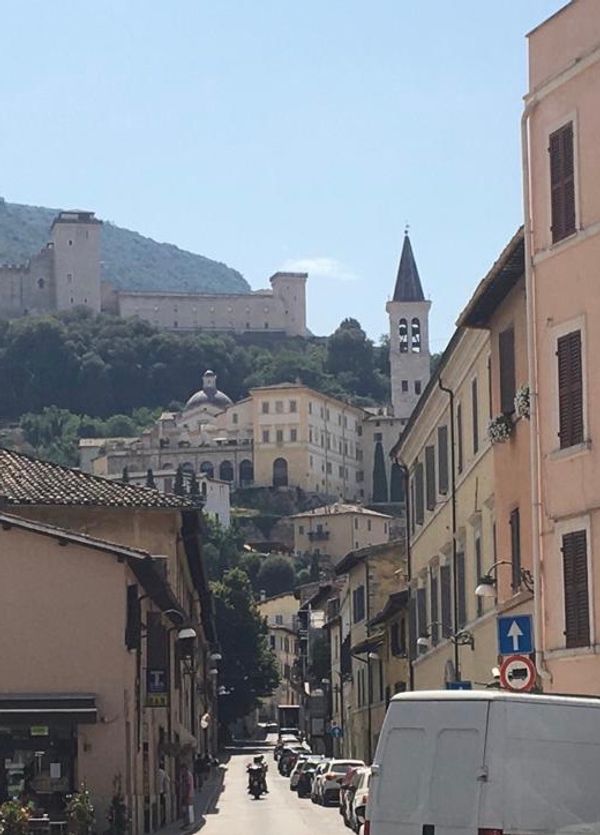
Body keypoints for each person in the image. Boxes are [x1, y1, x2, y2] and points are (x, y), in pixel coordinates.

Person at [157, 760, 169, 826]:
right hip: (162, 792)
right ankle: (163, 820)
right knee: (163, 807)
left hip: (156, 792)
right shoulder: (163, 772)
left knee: (159, 807)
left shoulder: (155, 772)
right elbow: (168, 780)